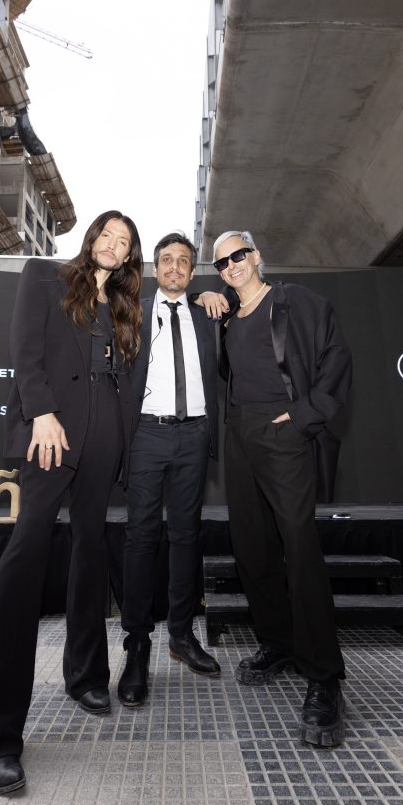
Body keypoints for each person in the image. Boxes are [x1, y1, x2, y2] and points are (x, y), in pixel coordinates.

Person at [0, 210, 143, 794]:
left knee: (92, 552)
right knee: (25, 558)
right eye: (107, 236)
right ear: (90, 236)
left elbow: (124, 378)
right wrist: (40, 413)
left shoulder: (123, 306)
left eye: (124, 243)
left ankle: (86, 675)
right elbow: (26, 352)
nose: (113, 247)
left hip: (104, 439)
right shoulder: (43, 276)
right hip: (51, 433)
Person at [201, 229, 352, 747]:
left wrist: (303, 416)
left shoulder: (298, 303)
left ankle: (324, 677)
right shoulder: (224, 316)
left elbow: (335, 361)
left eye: (239, 256)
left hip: (284, 429)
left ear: (257, 255)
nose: (232, 266)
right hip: (239, 430)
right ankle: (280, 644)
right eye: (222, 263)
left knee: (299, 547)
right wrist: (205, 296)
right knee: (252, 546)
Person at [117, 233, 220, 707]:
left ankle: (181, 635)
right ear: (155, 268)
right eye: (167, 260)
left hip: (195, 435)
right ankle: (137, 644)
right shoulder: (131, 309)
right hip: (146, 435)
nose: (175, 267)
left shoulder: (208, 311)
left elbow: (251, 297)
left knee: (187, 536)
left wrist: (221, 295)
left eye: (184, 261)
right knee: (141, 536)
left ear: (193, 271)